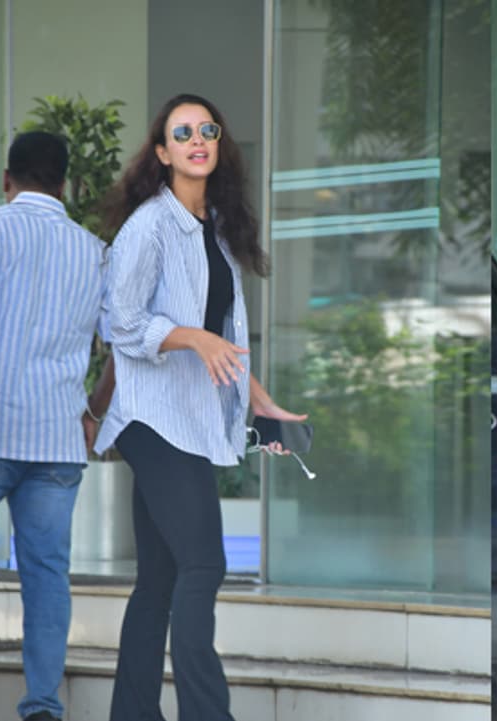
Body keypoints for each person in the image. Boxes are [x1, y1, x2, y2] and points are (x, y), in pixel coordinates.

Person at [89, 93, 305, 721]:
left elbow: (221, 338)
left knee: (158, 580)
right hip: (154, 419)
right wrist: (190, 337)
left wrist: (263, 403)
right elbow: (121, 323)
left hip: (190, 417)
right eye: (181, 133)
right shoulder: (149, 226)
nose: (196, 140)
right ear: (162, 152)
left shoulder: (215, 228)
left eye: (206, 130)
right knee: (204, 564)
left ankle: (132, 713)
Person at [0, 131, 107, 721]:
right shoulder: (93, 250)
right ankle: (42, 708)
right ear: (65, 184)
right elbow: (125, 347)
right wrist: (93, 413)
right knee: (47, 572)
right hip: (57, 439)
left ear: (7, 179)